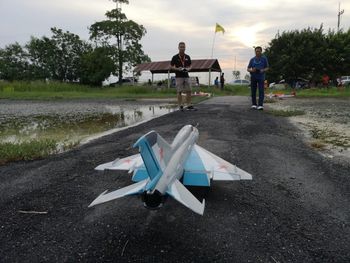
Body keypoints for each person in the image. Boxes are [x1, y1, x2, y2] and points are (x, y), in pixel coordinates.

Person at [170, 42, 194, 111]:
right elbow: (171, 66)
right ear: (178, 48)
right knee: (179, 91)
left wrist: (189, 69)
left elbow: (191, 65)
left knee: (189, 91)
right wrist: (177, 69)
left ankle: (189, 105)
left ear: (185, 48)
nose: (182, 48)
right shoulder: (175, 57)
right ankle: (180, 105)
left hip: (186, 76)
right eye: (181, 47)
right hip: (178, 76)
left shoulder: (187, 57)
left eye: (183, 47)